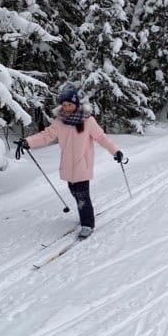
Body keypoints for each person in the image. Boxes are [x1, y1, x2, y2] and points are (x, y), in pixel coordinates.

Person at [16, 85, 124, 239]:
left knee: (82, 196)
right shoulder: (59, 122)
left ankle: (87, 224)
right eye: (64, 105)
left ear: (76, 104)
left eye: (70, 104)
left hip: (82, 165)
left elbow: (101, 137)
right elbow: (46, 135)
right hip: (67, 165)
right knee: (74, 192)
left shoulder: (87, 120)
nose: (66, 108)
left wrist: (115, 151)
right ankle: (84, 213)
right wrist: (28, 142)